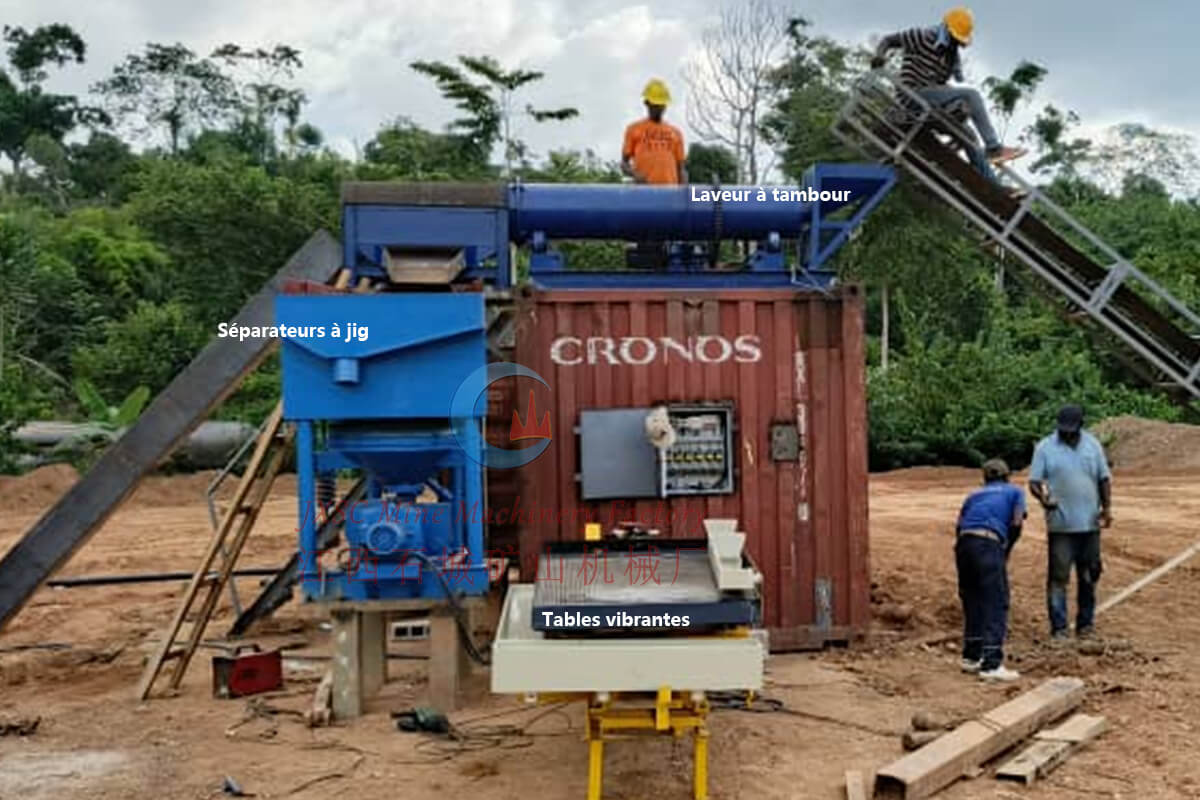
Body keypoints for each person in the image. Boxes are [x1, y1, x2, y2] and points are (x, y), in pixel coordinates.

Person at [870, 7, 1026, 183]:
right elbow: (888, 40)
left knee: (968, 134)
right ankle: (994, 148)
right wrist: (879, 56)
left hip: (931, 105)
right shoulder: (922, 35)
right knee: (971, 95)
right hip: (913, 96)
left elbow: (950, 83)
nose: (956, 45)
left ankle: (996, 187)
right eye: (955, 40)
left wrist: (958, 105)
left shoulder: (952, 56)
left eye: (959, 42)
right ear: (946, 31)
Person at [1029, 405, 1112, 641]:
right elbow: (1034, 482)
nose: (1066, 434)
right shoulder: (1045, 448)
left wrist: (1107, 508)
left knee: (1089, 575)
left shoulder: (1093, 445)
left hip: (1089, 524)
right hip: (1061, 526)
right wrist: (1044, 499)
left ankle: (1085, 625)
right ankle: (1059, 628)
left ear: (1080, 426)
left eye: (1071, 430)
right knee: (1058, 578)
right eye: (1063, 430)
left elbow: (1103, 479)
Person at [954, 458, 1027, 682]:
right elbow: (1016, 523)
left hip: (964, 545)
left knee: (972, 598)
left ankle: (972, 656)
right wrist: (1004, 551)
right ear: (1008, 476)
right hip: (988, 543)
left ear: (984, 479)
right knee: (996, 600)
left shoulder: (974, 495)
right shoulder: (1015, 491)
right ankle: (992, 663)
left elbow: (959, 525)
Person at [621, 79, 687, 185]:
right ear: (647, 103)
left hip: (670, 192)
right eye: (655, 105)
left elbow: (681, 168)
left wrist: (684, 192)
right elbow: (624, 164)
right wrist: (635, 174)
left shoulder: (676, 133)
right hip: (644, 192)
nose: (659, 109)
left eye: (661, 105)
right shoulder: (634, 129)